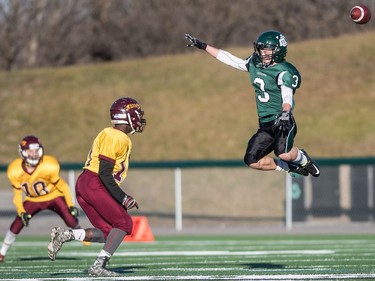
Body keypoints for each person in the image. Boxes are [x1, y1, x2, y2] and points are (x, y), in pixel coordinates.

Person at [185, 31, 320, 177]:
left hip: (282, 121)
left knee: (284, 153)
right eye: (261, 50)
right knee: (251, 160)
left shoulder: (284, 72)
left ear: (278, 51)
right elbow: (232, 60)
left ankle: (303, 159)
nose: (263, 54)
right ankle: (288, 168)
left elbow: (287, 95)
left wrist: (286, 113)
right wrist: (204, 46)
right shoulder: (255, 63)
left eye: (267, 51)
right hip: (265, 124)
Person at [47, 97, 146, 277]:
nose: (139, 117)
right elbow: (104, 173)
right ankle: (98, 266)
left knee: (109, 233)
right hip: (95, 182)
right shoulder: (116, 136)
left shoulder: (112, 134)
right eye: (136, 114)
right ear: (127, 116)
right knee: (124, 223)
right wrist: (123, 197)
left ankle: (66, 236)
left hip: (87, 183)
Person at [0, 135, 80, 262]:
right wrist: (21, 212)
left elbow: (64, 186)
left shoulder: (48, 165)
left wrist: (70, 205)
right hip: (33, 200)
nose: (34, 154)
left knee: (71, 220)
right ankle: (2, 252)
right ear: (22, 152)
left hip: (53, 196)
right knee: (17, 223)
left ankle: (87, 240)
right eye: (30, 151)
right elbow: (17, 196)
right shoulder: (14, 170)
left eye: (36, 150)